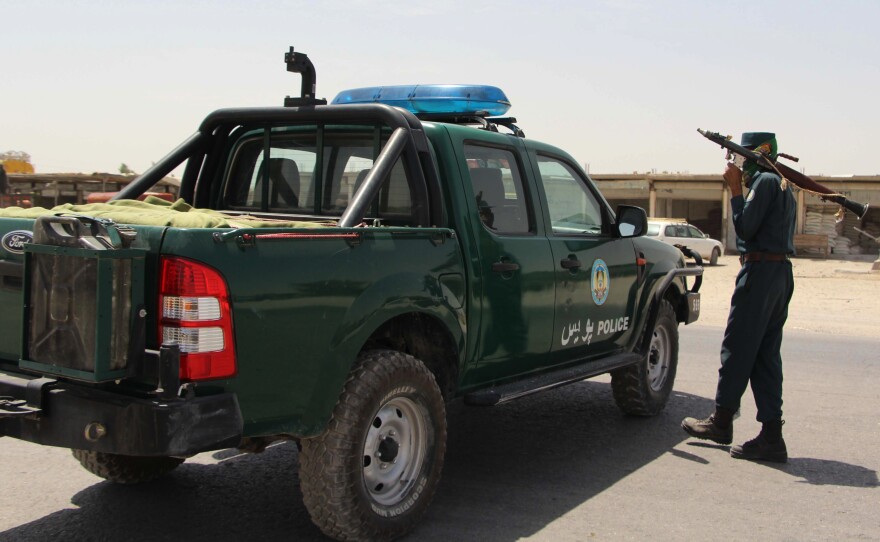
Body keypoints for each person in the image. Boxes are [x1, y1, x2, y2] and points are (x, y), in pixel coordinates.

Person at [681, 132, 796, 463]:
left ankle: (721, 422)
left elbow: (745, 228)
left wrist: (734, 189)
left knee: (738, 347)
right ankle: (772, 436)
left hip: (760, 275)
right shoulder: (781, 182)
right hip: (778, 275)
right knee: (765, 356)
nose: (737, 165)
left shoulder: (764, 183)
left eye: (740, 159)